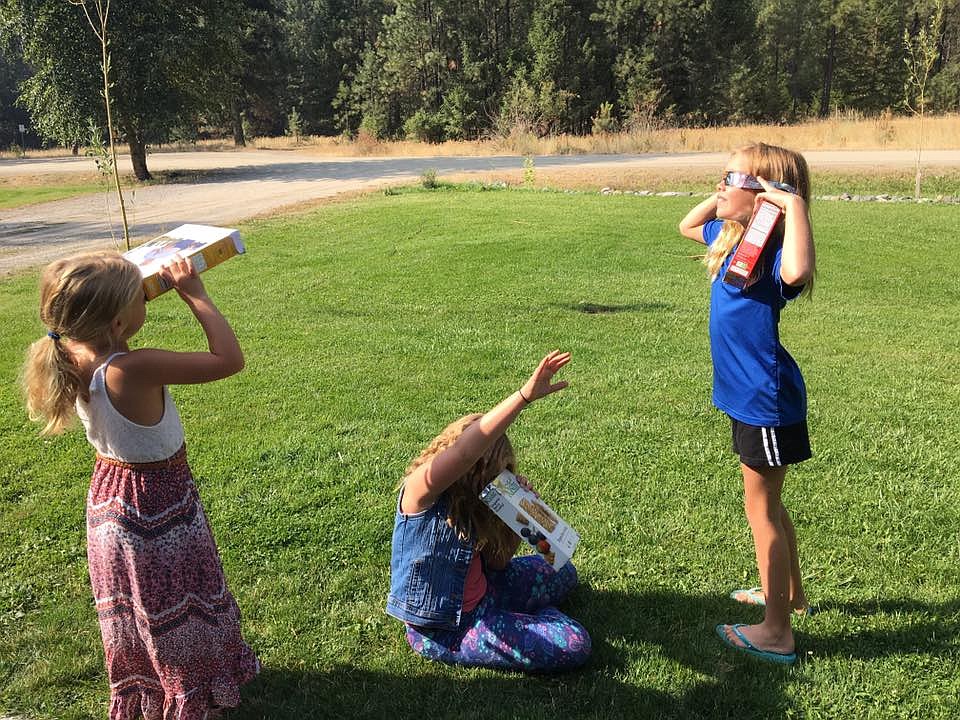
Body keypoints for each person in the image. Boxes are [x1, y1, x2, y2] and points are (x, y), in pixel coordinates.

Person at [21, 251, 259, 718]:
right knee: (177, 597)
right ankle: (190, 688)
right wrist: (197, 295)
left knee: (138, 604)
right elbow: (229, 359)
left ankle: (149, 685)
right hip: (157, 502)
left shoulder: (71, 352)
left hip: (111, 498)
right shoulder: (133, 368)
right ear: (117, 322)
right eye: (141, 293)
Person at [677, 143, 816, 665]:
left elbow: (799, 271)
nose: (720, 183)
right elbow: (687, 225)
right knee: (770, 506)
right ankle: (790, 596)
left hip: (766, 402)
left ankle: (776, 632)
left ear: (768, 196)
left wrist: (792, 204)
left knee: (761, 511)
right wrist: (726, 195)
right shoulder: (734, 243)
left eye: (732, 177)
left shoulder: (773, 258)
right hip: (745, 397)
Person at [386, 350, 591, 672]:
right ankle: (532, 623)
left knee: (564, 572)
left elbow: (499, 563)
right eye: (497, 472)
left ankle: (521, 621)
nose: (500, 478)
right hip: (447, 628)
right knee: (573, 642)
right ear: (472, 468)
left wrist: (520, 514)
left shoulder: (482, 498)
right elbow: (468, 449)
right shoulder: (420, 494)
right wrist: (524, 396)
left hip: (488, 595)